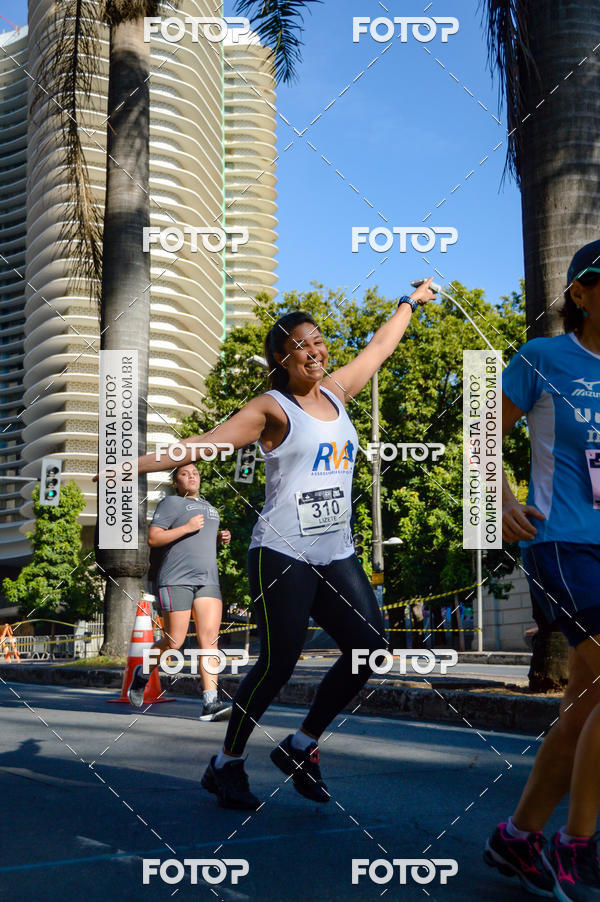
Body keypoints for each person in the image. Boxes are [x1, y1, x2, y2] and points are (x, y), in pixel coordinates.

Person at [133, 278, 436, 810]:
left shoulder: (338, 392)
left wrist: (411, 303)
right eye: (301, 345)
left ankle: (300, 745)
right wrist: (129, 467)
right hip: (282, 552)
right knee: (278, 662)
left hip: (335, 551)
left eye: (318, 341)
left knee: (371, 649)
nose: (314, 351)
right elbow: (202, 444)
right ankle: (225, 764)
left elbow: (379, 347)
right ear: (282, 357)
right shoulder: (271, 408)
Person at [484, 240, 600, 901]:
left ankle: (519, 835)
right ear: (580, 293)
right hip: (562, 544)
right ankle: (577, 846)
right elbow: (481, 435)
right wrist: (500, 499)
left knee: (586, 703)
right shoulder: (544, 358)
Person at [128, 462, 232, 722]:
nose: (192, 476)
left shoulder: (209, 507)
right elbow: (154, 538)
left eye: (195, 473)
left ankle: (210, 701)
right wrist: (187, 527)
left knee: (209, 640)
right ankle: (142, 673)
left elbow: (198, 541)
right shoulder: (170, 503)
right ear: (176, 482)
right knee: (174, 641)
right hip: (175, 579)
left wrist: (218, 538)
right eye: (185, 474)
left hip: (208, 579)